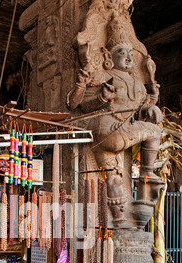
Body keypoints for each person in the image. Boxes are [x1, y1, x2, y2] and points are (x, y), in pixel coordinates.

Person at [67, 18, 163, 225]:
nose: (127, 57)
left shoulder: (138, 83)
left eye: (130, 53)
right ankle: (147, 172)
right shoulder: (104, 74)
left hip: (115, 135)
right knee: (154, 132)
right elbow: (77, 104)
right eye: (121, 52)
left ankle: (119, 221)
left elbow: (143, 107)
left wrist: (153, 99)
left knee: (114, 178)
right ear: (109, 58)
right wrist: (94, 93)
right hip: (110, 130)